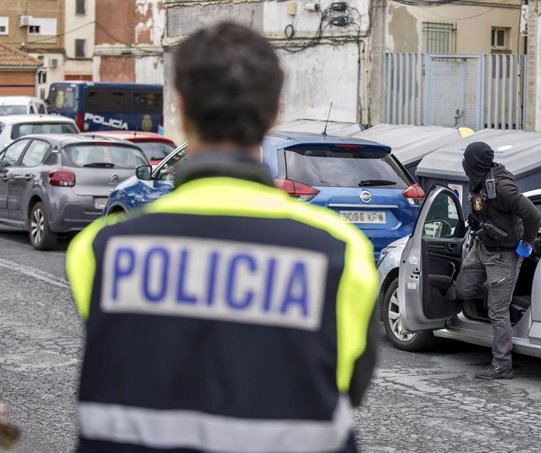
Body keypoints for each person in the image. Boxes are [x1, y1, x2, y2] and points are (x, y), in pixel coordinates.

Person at [66, 21, 379, 453]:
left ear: (181, 108)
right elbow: (349, 387)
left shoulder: (100, 249)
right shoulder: (342, 253)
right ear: (275, 112)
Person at [450, 142, 540, 380]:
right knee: (462, 288)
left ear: (476, 162)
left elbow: (533, 214)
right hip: (482, 247)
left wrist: (527, 242)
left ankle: (502, 365)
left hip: (504, 255)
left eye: (467, 160)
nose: (464, 164)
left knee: (497, 311)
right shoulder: (479, 180)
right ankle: (495, 291)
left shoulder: (502, 187)